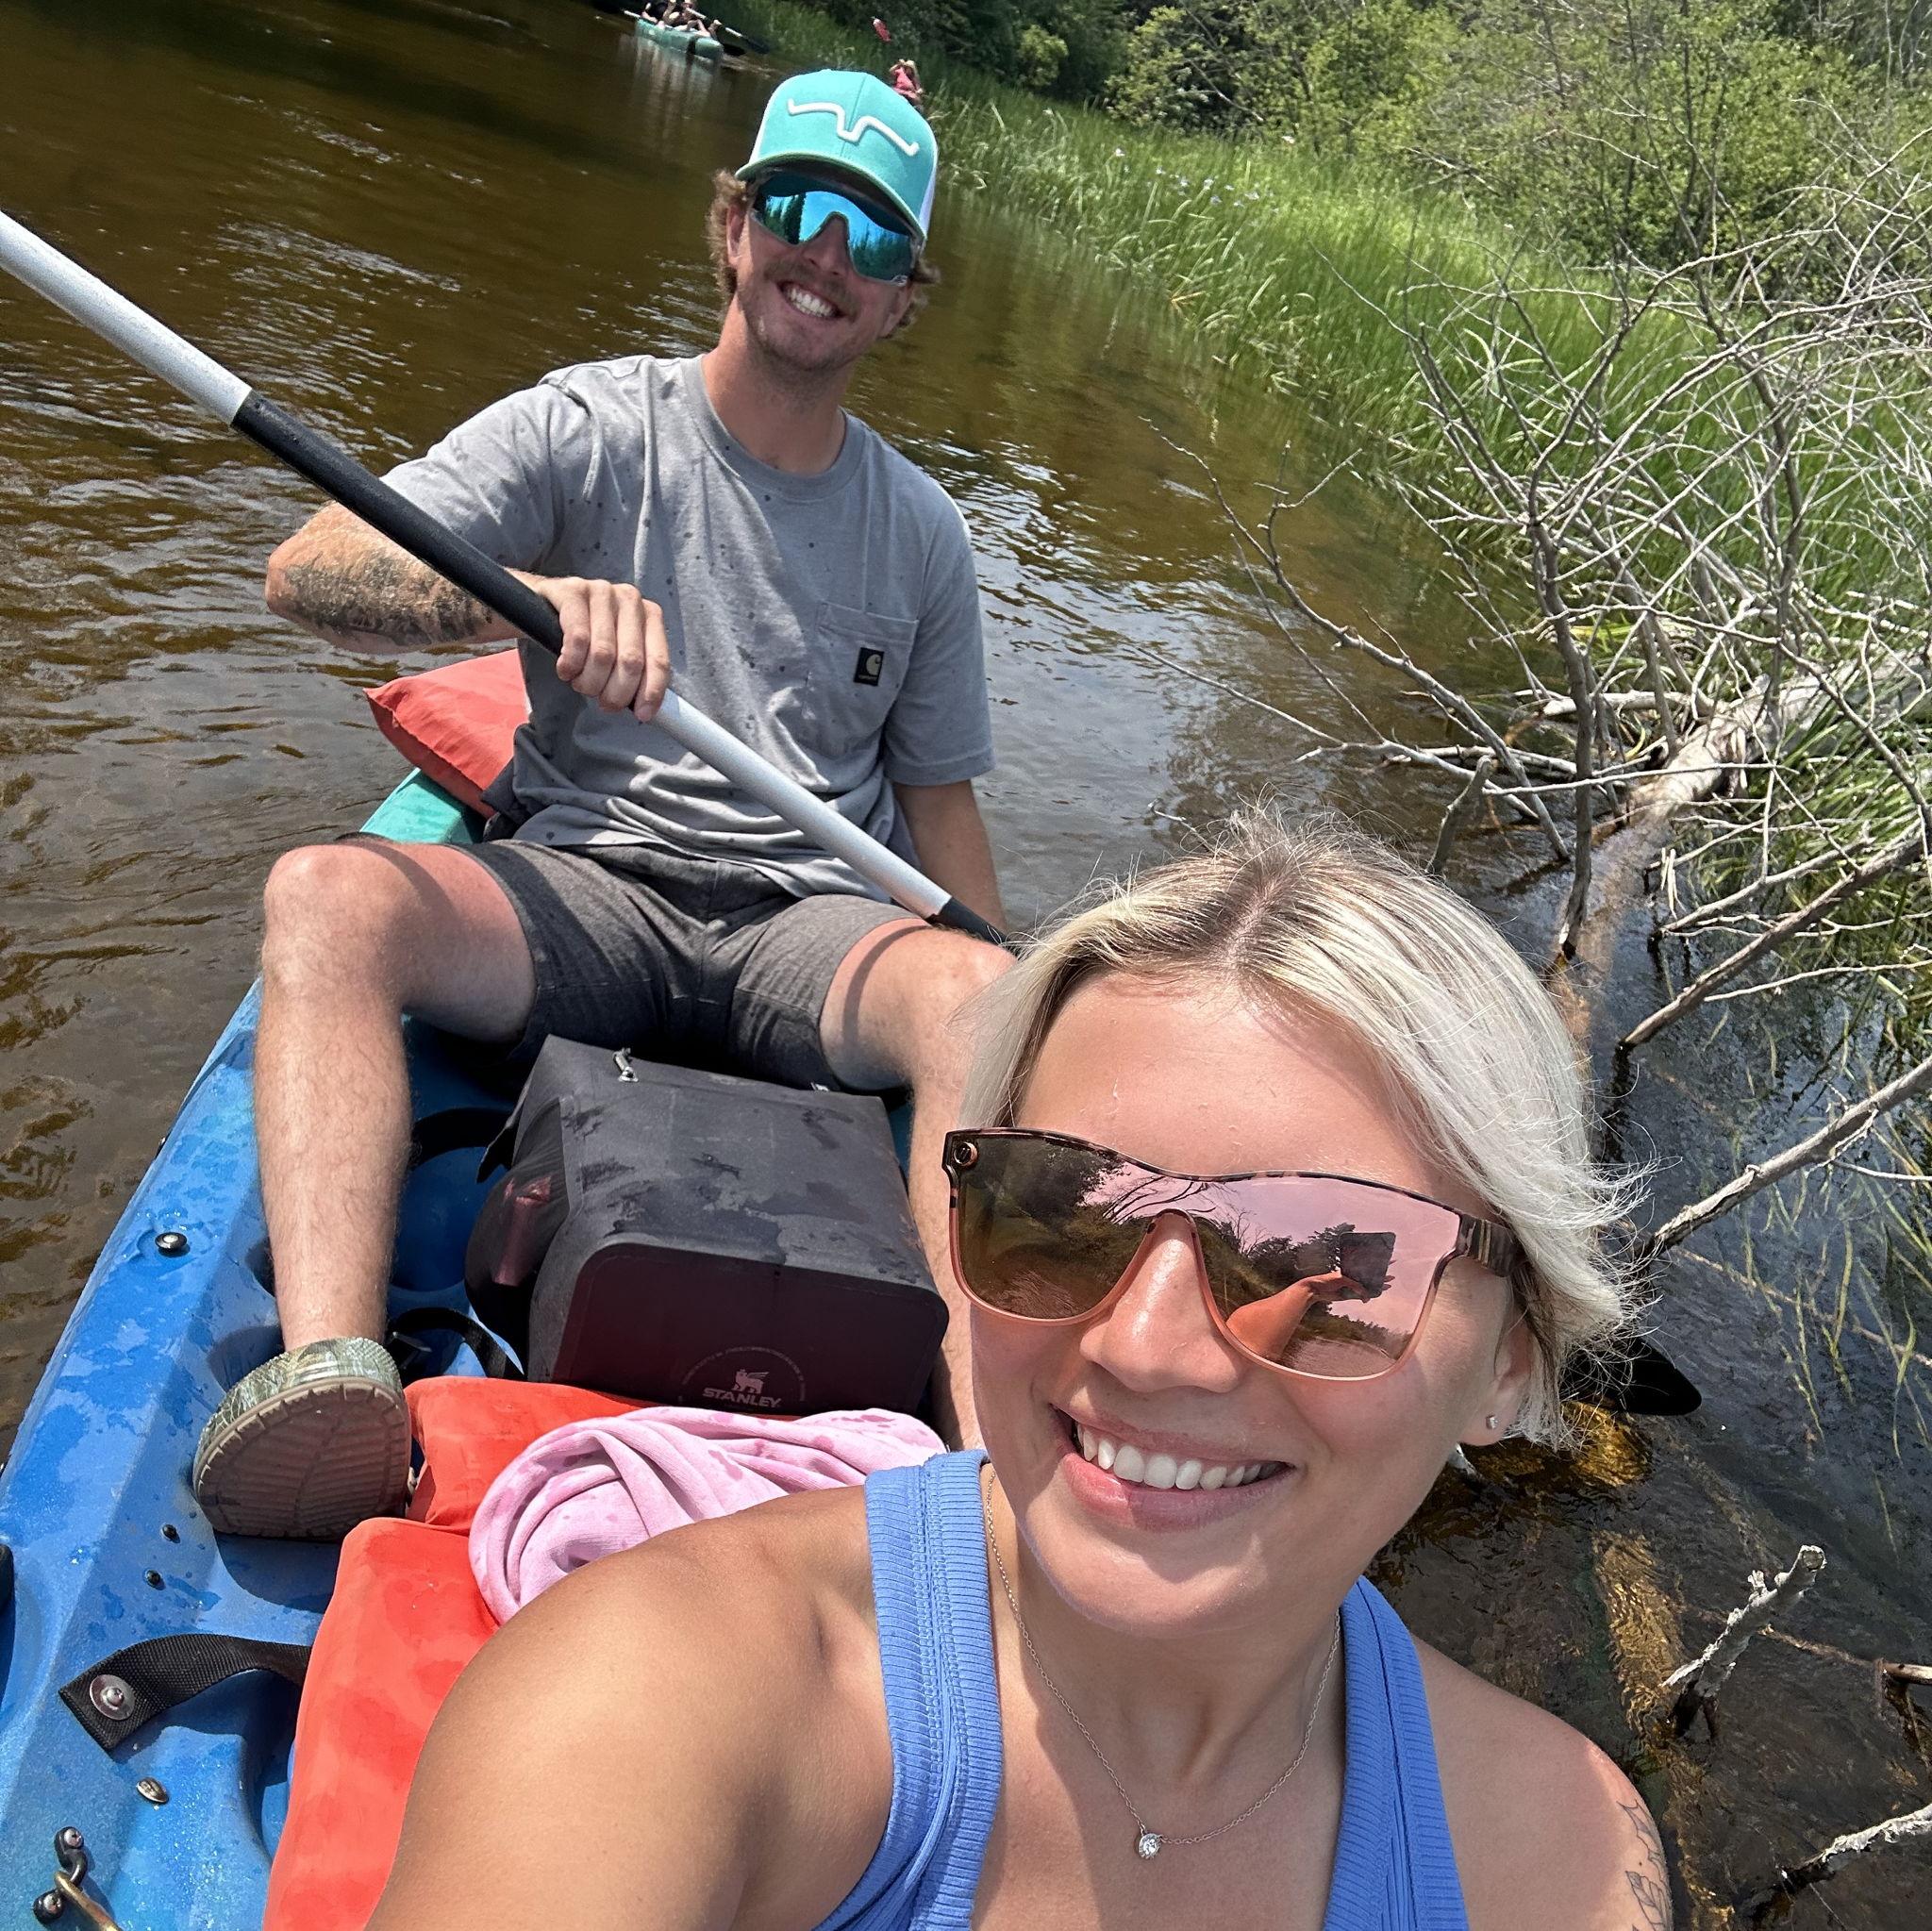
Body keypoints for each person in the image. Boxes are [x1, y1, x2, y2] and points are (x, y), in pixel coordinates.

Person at [366, 814, 1672, 1929]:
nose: (1142, 1345)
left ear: (1510, 1367)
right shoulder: (669, 1695)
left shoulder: (1558, 1858)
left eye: (1322, 1262)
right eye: (1055, 1210)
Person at [192, 71, 1009, 1540]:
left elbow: (939, 815)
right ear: (734, 227)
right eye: (800, 212)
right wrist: (515, 594)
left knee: (985, 1002)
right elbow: (309, 573)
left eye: (873, 242)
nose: (826, 259)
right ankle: (333, 1376)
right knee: (324, 896)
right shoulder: (589, 426)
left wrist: (1014, 998)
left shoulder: (926, 538)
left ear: (904, 301)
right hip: (584, 891)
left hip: (802, 927)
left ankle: (977, 1457)